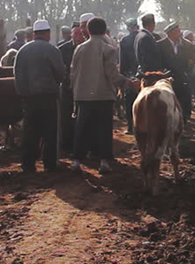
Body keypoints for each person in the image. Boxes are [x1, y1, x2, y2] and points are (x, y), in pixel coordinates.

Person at [70, 17, 138, 173]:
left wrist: (75, 91)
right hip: (103, 96)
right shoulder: (108, 49)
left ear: (88, 30)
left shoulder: (79, 48)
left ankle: (76, 161)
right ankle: (104, 162)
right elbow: (112, 74)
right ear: (103, 31)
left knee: (82, 128)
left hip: (82, 95)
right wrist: (128, 83)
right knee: (103, 129)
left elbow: (73, 73)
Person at [14, 20, 65, 172]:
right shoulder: (52, 50)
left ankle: (28, 164)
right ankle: (49, 164)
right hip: (48, 97)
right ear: (48, 33)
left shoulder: (22, 51)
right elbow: (60, 74)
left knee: (30, 131)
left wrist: (23, 94)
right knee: (50, 132)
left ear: (34, 34)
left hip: (29, 98)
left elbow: (17, 75)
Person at [159, 22, 195, 121]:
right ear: (170, 33)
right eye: (177, 32)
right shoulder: (160, 45)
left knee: (183, 101)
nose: (180, 34)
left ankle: (183, 121)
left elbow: (192, 60)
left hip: (182, 78)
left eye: (179, 31)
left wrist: (187, 72)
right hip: (167, 79)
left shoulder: (187, 45)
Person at [58, 27, 85, 152]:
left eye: (81, 34)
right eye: (76, 34)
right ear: (71, 34)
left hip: (83, 88)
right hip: (67, 89)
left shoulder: (87, 48)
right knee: (66, 117)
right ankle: (67, 145)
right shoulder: (62, 49)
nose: (78, 36)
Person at [119, 18, 140, 134]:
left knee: (130, 103)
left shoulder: (124, 40)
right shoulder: (143, 37)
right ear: (137, 26)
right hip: (142, 76)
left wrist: (122, 79)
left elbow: (123, 62)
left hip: (130, 76)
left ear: (127, 28)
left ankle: (131, 126)